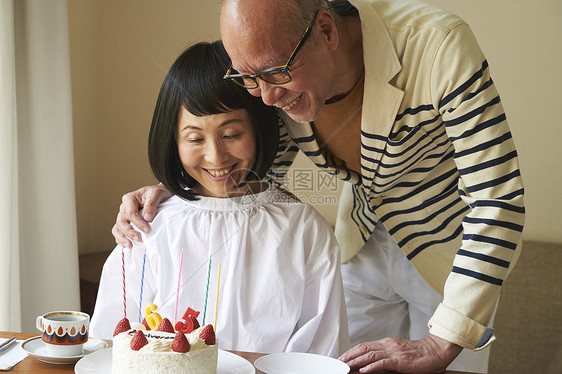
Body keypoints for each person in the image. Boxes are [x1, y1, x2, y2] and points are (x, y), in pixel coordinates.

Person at [112, 1, 525, 373]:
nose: (267, 99)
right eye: (249, 79)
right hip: (360, 242)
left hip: (451, 255)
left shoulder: (439, 45)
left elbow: (498, 197)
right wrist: (174, 190)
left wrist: (441, 341)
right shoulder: (275, 78)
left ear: (326, 30)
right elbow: (250, 166)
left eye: (276, 72)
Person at [91, 41, 349, 357]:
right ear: (172, 140)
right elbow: (109, 345)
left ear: (260, 128)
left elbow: (320, 353)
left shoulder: (303, 230)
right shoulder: (146, 226)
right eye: (195, 138)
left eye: (231, 135)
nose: (216, 156)